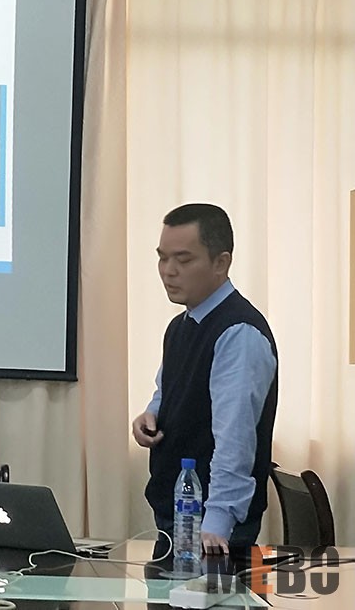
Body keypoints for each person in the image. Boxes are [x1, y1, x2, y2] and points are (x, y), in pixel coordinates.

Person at [131, 203, 278, 558]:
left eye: (183, 260)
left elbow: (235, 438)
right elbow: (169, 391)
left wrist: (218, 522)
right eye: (162, 258)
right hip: (178, 516)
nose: (168, 271)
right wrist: (151, 415)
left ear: (221, 262)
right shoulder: (180, 326)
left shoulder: (238, 333)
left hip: (209, 527)